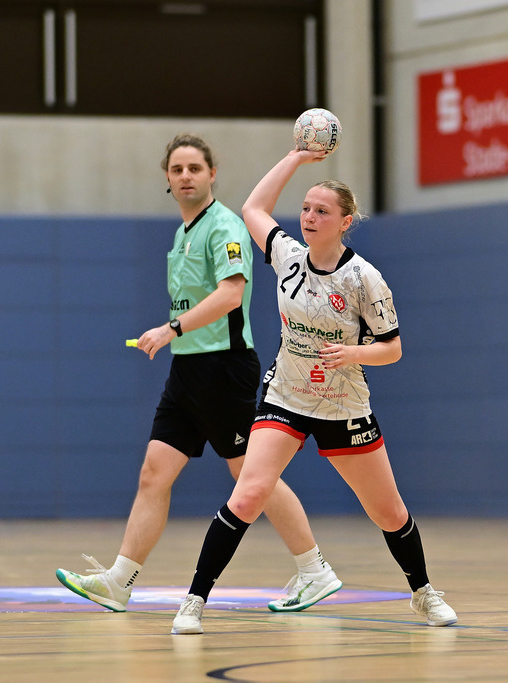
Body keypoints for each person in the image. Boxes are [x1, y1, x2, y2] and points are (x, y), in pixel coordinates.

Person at [169, 147, 458, 635]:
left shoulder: (365, 278)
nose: (308, 217)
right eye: (305, 208)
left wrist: (355, 355)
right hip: (286, 397)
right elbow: (253, 210)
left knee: (388, 511)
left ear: (345, 222)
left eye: (321, 211)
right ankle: (194, 600)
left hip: (345, 403)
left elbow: (393, 348)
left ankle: (424, 593)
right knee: (248, 495)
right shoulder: (289, 257)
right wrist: (295, 158)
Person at [56, 134, 342, 614]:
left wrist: (172, 328)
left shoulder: (224, 226)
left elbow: (232, 294)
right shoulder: (184, 232)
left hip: (223, 368)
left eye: (194, 168)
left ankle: (315, 571)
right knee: (154, 473)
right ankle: (118, 582)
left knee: (250, 476)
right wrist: (177, 338)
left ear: (212, 174)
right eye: (177, 169)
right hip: (187, 370)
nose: (186, 176)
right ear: (167, 179)